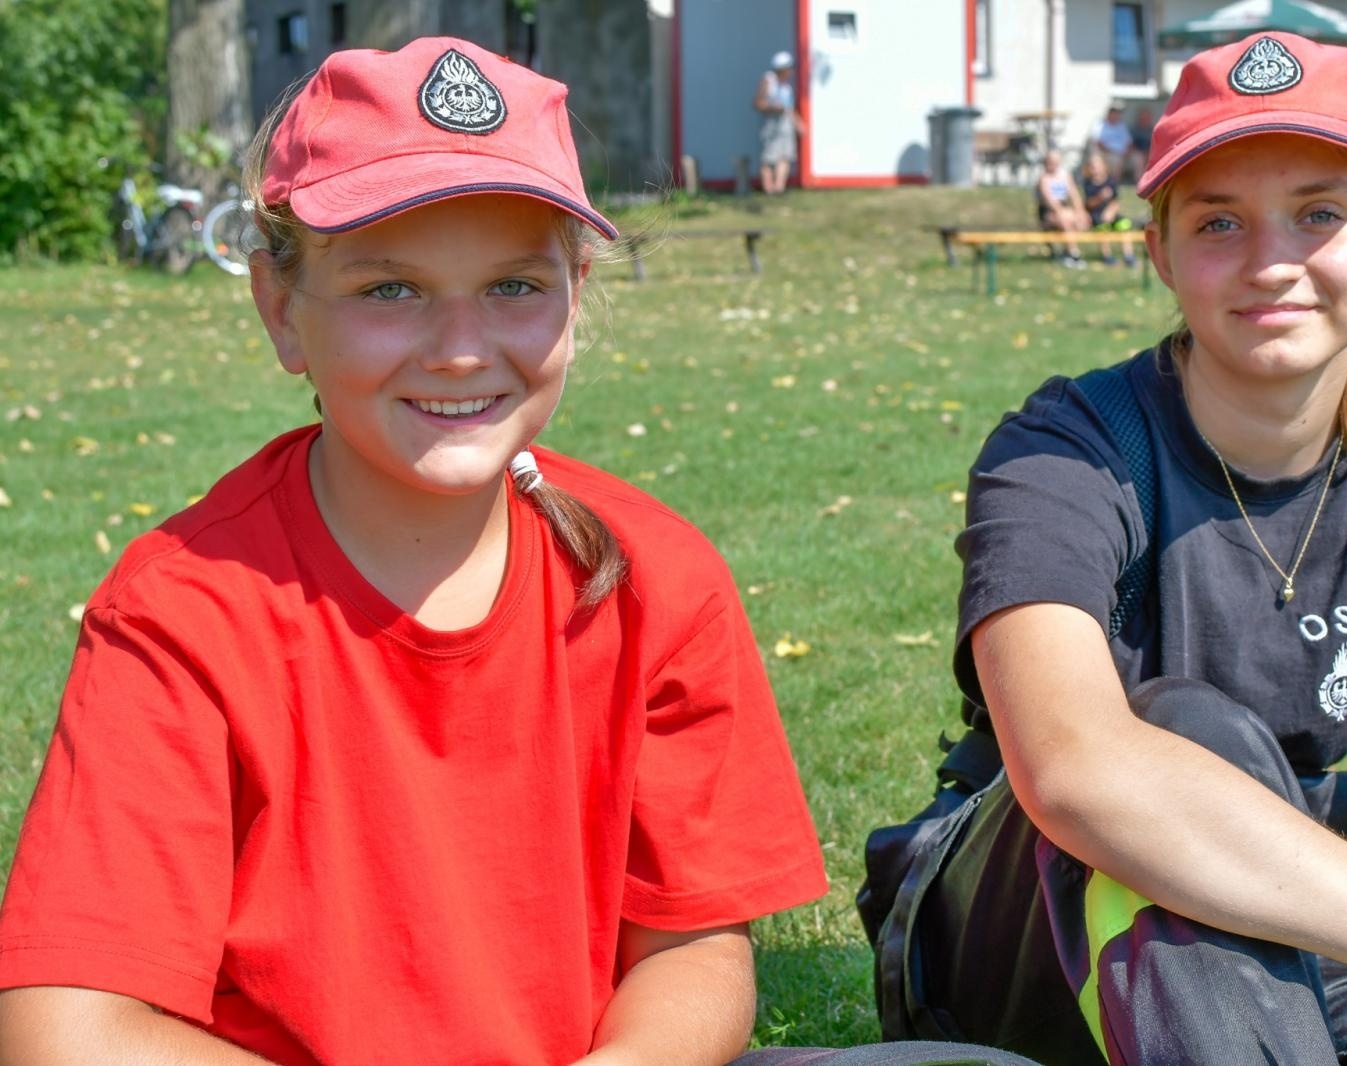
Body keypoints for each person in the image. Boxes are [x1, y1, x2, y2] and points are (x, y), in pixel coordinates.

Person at [0, 36, 1045, 1066]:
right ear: (281, 306)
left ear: (577, 292)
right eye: (387, 290)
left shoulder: (657, 577)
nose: (460, 347)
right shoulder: (184, 612)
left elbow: (694, 952)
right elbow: (67, 1029)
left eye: (513, 287)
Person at [942, 32, 1347, 1064]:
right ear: (1158, 252)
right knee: (1189, 737)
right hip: (1020, 943)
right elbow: (1073, 771)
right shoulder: (1066, 452)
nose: (1270, 261)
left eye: (1320, 212)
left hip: (1285, 951)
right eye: (1217, 221)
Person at [754, 51, 805, 195]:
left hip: (785, 124)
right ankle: (768, 188)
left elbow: (789, 108)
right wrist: (773, 107)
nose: (791, 71)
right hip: (771, 123)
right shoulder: (768, 80)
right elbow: (757, 103)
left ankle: (779, 187)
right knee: (769, 157)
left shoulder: (787, 87)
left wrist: (798, 123)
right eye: (789, 68)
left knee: (785, 156)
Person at [1078, 152, 1137, 266]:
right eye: (1092, 167)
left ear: (1104, 166)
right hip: (1096, 215)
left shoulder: (1110, 181)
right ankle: (1107, 256)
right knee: (1102, 227)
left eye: (1097, 166)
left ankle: (1128, 256)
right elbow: (1088, 204)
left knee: (1124, 224)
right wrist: (1100, 198)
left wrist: (1110, 212)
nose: (1094, 169)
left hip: (1110, 214)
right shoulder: (1088, 183)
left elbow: (1115, 201)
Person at [1036, 148, 1090, 268]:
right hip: (1048, 212)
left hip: (1064, 209)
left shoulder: (1064, 175)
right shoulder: (1043, 178)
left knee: (1077, 220)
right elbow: (1049, 200)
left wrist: (1080, 212)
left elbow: (1074, 194)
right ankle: (1074, 254)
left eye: (1056, 162)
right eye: (1050, 162)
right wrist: (1062, 212)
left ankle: (1066, 253)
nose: (1053, 165)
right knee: (1065, 220)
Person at [1088, 104, 1136, 183]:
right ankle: (1112, 183)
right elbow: (1098, 143)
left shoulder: (1121, 126)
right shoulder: (1099, 125)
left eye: (1118, 113)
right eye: (1115, 113)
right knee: (1116, 160)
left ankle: (1136, 183)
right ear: (1109, 114)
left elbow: (1128, 142)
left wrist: (1128, 151)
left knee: (1137, 158)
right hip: (1105, 152)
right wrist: (1114, 152)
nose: (1116, 115)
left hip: (1121, 153)